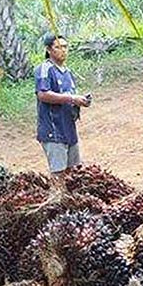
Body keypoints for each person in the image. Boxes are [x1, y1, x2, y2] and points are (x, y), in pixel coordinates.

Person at [35, 33, 91, 178]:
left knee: (73, 173)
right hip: (53, 131)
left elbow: (69, 98)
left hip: (69, 129)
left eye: (65, 47)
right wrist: (72, 98)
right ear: (48, 50)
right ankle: (57, 198)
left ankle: (67, 199)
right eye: (58, 47)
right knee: (58, 174)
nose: (63, 50)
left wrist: (81, 101)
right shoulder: (45, 69)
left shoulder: (68, 73)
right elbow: (43, 94)